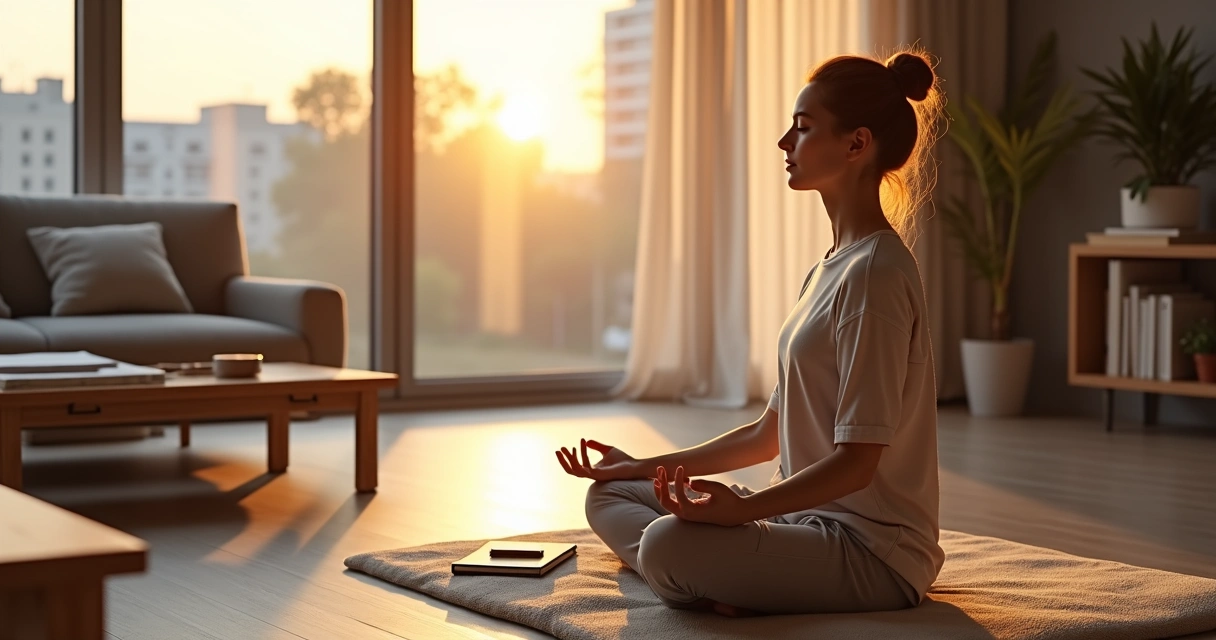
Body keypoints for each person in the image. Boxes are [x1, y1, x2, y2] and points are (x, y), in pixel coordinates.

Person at [556, 49, 946, 617]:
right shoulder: (831, 266)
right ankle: (721, 581)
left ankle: (710, 577)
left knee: (667, 542)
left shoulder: (876, 276)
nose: (785, 143)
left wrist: (742, 512)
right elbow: (769, 434)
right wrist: (641, 466)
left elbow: (858, 464)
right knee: (611, 495)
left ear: (856, 144)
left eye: (804, 128)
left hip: (869, 552)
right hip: (796, 522)